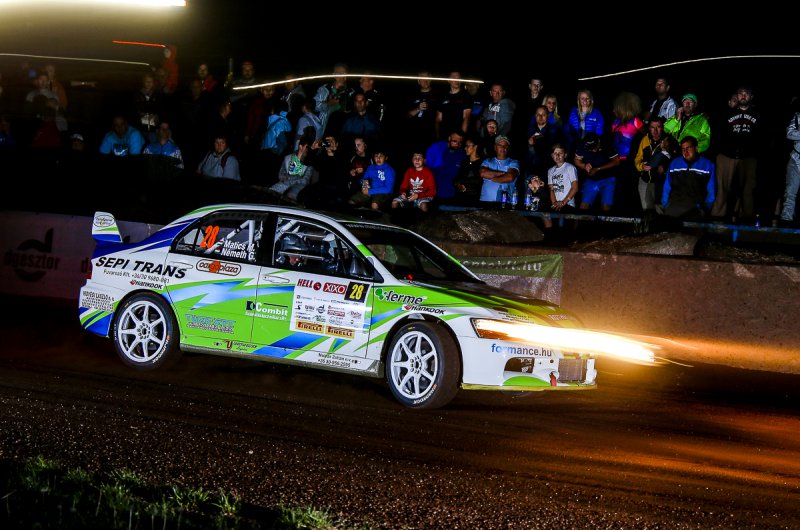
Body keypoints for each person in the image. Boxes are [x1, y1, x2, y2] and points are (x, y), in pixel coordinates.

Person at [711, 85, 763, 223]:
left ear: (751, 96)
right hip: (727, 155)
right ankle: (717, 219)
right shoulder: (728, 114)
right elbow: (718, 133)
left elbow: (762, 136)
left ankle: (746, 221)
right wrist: (719, 152)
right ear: (737, 96)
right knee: (722, 189)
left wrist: (756, 153)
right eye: (740, 93)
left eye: (746, 93)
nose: (743, 96)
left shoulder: (757, 114)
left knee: (747, 190)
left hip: (748, 157)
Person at [658, 135, 716, 220]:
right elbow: (667, 186)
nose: (685, 152)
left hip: (695, 208)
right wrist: (665, 205)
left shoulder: (707, 165)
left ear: (696, 148)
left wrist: (704, 209)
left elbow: (712, 190)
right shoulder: (675, 163)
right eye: (683, 149)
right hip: (674, 206)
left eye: (688, 148)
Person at [634, 117, 677, 212]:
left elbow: (676, 161)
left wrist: (665, 167)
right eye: (653, 127)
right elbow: (637, 159)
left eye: (658, 127)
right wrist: (641, 166)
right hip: (645, 180)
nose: (655, 131)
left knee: (660, 211)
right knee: (647, 211)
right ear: (649, 128)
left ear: (662, 127)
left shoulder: (669, 140)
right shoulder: (645, 139)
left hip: (661, 182)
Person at [574, 133, 620, 212]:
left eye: (594, 148)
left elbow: (616, 161)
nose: (593, 151)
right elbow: (577, 160)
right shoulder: (582, 145)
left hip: (608, 179)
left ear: (598, 142)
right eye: (590, 149)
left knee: (605, 207)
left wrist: (597, 169)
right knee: (583, 206)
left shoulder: (606, 144)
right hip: (592, 180)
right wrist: (584, 166)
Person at [425, 130, 466, 203]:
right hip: (435, 193)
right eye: (454, 141)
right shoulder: (436, 148)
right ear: (449, 138)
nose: (457, 144)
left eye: (459, 142)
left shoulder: (460, 153)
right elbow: (427, 169)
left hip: (452, 193)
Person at [479, 135, 519, 209]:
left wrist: (492, 178)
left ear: (508, 148)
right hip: (486, 202)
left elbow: (510, 177)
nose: (503, 147)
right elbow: (483, 173)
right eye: (500, 145)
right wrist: (504, 174)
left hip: (506, 203)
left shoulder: (513, 162)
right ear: (495, 147)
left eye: (505, 145)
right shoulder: (487, 161)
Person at [780, 102, 800, 225]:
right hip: (796, 159)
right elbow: (789, 133)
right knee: (790, 193)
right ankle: (786, 222)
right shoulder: (798, 116)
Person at [566, 89, 604, 154]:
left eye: (587, 98)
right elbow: (568, 129)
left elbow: (599, 131)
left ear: (591, 100)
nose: (585, 100)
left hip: (590, 144)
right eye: (582, 98)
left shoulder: (597, 113)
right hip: (576, 144)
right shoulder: (573, 112)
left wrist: (596, 143)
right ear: (579, 100)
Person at [436, 71, 471, 139]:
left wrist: (461, 137)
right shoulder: (443, 96)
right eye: (454, 78)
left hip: (458, 135)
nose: (456, 80)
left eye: (458, 78)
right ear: (449, 80)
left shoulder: (466, 96)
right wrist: (437, 136)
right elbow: (438, 119)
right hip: (444, 134)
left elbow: (466, 118)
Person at [453, 135, 485, 206]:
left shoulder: (482, 163)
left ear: (475, 147)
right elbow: (456, 178)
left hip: (476, 200)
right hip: (462, 198)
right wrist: (458, 185)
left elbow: (479, 180)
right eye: (465, 146)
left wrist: (462, 181)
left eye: (467, 146)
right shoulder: (464, 162)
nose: (465, 148)